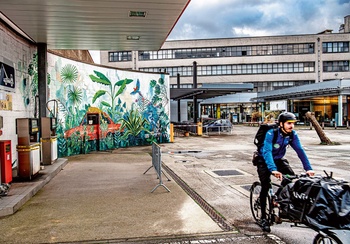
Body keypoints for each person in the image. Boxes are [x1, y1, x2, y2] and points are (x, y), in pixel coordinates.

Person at [256, 112, 315, 232]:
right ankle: (263, 218)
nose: (292, 126)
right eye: (289, 123)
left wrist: (308, 168)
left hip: (278, 159)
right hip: (263, 160)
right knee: (265, 186)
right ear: (281, 124)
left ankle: (276, 198)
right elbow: (267, 151)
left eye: (293, 124)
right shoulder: (271, 133)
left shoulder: (292, 135)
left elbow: (300, 150)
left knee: (291, 178)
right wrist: (273, 170)